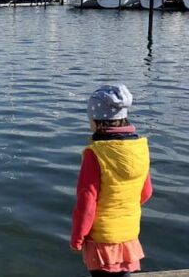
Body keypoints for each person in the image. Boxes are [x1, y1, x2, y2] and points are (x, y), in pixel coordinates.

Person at [70, 84, 153, 277]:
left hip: (103, 238)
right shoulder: (140, 149)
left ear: (97, 121)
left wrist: (77, 237)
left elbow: (87, 202)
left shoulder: (95, 154)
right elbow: (146, 192)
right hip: (129, 234)